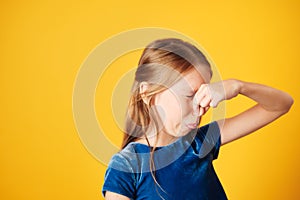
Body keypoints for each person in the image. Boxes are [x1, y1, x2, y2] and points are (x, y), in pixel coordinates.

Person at [102, 38, 293, 200]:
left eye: (205, 96)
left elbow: (282, 104)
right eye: (189, 96)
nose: (201, 108)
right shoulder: (127, 166)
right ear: (147, 94)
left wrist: (238, 87)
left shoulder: (201, 141)